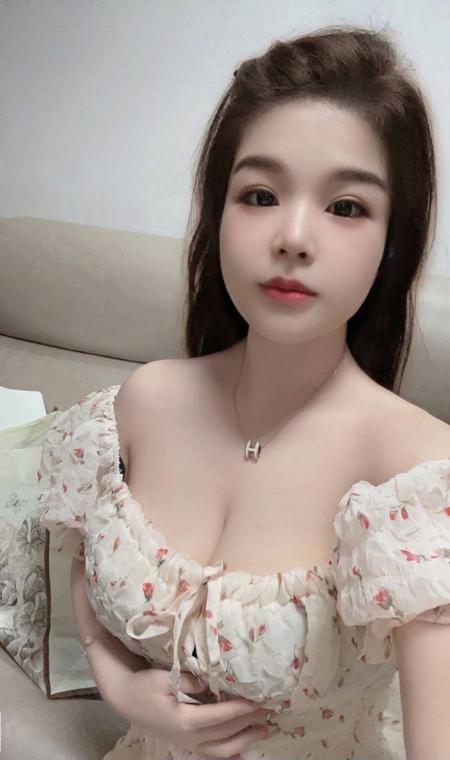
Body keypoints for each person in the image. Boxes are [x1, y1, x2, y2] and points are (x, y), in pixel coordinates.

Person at [36, 22, 450, 760]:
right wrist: (122, 689)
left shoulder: (416, 478)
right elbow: (82, 562)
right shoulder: (140, 405)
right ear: (218, 212)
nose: (293, 236)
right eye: (260, 195)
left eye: (346, 206)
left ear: (394, 241)